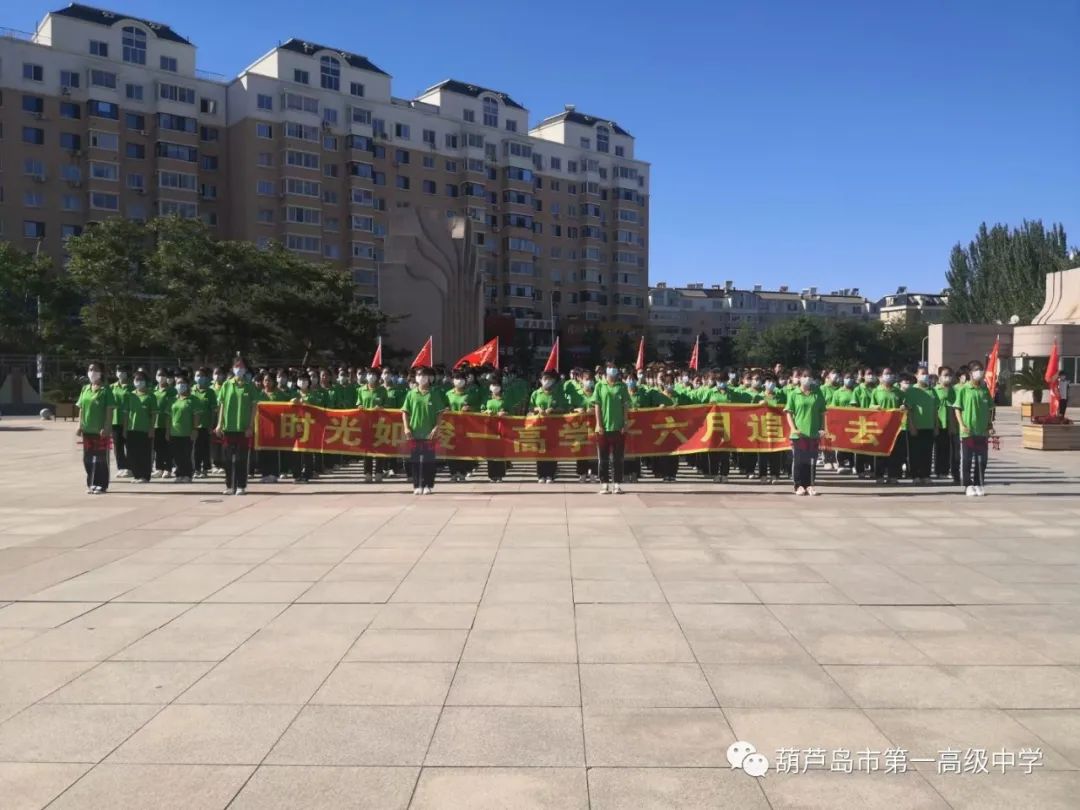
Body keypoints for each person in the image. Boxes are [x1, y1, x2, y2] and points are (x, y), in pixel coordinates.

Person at [214, 356, 258, 496]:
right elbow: (221, 405)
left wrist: (250, 426)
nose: (239, 369)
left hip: (243, 428)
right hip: (228, 428)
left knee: (241, 459)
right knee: (227, 460)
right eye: (236, 366)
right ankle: (229, 485)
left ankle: (241, 486)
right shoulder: (227, 385)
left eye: (242, 367)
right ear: (233, 368)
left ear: (245, 369)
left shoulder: (249, 386)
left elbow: (254, 407)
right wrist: (219, 424)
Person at [401, 365, 448, 495]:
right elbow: (405, 412)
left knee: (429, 461)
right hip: (414, 432)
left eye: (424, 375)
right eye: (419, 375)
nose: (421, 378)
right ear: (416, 378)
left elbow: (440, 413)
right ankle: (417, 485)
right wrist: (406, 427)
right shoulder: (411, 394)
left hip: (429, 433)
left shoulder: (434, 394)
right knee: (415, 461)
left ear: (429, 378)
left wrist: (436, 427)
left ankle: (428, 485)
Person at [953, 360, 995, 497]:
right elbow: (957, 408)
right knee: (967, 459)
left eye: (981, 370)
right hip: (968, 431)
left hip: (982, 431)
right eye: (977, 370)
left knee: (982, 459)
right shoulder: (964, 389)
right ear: (970, 373)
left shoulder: (984, 389)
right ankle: (968, 485)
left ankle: (979, 483)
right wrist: (961, 425)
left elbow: (990, 409)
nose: (980, 372)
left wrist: (990, 425)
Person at [784, 370, 827, 496]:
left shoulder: (817, 394)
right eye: (804, 376)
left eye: (809, 376)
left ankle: (810, 485)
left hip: (813, 432)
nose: (807, 378)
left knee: (811, 460)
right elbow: (789, 413)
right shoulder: (794, 394)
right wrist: (793, 428)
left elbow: (823, 412)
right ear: (799, 379)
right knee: (799, 460)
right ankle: (798, 485)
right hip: (799, 433)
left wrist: (823, 428)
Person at [76, 362, 115, 494]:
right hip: (87, 430)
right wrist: (79, 425)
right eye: (90, 369)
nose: (92, 372)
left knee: (100, 458)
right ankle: (91, 483)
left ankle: (101, 484)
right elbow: (81, 408)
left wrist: (107, 427)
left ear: (101, 372)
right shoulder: (85, 389)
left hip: (100, 431)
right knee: (87, 458)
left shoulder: (106, 390)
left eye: (95, 369)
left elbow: (109, 410)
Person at [594, 362, 632, 494]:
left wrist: (625, 423)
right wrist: (599, 424)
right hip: (603, 428)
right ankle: (604, 483)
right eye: (610, 368)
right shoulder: (600, 385)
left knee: (618, 458)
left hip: (618, 427)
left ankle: (617, 483)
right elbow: (597, 406)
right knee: (603, 458)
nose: (612, 370)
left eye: (614, 368)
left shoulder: (622, 386)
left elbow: (625, 406)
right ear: (605, 372)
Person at [530, 370, 568, 483]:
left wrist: (554, 410)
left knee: (552, 450)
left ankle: (551, 474)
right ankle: (541, 475)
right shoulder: (535, 393)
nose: (547, 381)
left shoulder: (557, 394)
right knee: (540, 450)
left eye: (549, 379)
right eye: (545, 379)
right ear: (540, 381)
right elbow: (530, 409)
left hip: (553, 426)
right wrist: (537, 409)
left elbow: (564, 408)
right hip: (539, 426)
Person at [905, 369, 938, 483]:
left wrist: (936, 426)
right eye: (922, 374)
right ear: (916, 375)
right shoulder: (911, 391)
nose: (925, 376)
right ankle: (915, 475)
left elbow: (935, 410)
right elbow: (908, 411)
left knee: (927, 452)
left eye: (926, 374)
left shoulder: (932, 391)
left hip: (929, 426)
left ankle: (926, 475)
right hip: (915, 427)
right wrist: (911, 426)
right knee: (915, 453)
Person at [123, 370, 156, 483]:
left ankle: (145, 476)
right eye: (137, 379)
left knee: (144, 453)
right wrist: (125, 428)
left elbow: (153, 414)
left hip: (145, 429)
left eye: (141, 380)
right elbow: (127, 413)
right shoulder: (130, 395)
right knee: (132, 453)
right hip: (132, 429)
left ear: (146, 381)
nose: (139, 382)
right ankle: (137, 475)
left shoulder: (150, 396)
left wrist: (152, 428)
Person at [356, 367, 388, 482]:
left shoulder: (382, 390)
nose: (371, 376)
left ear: (377, 377)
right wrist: (360, 407)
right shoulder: (361, 390)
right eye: (369, 374)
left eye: (373, 375)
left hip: (379, 424)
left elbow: (387, 405)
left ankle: (379, 472)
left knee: (379, 448)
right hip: (365, 423)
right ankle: (367, 473)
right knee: (367, 449)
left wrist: (381, 408)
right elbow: (358, 403)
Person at [169, 374, 199, 483]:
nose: (180, 385)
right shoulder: (173, 400)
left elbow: (196, 416)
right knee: (177, 455)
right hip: (174, 432)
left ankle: (187, 474)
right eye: (178, 383)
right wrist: (168, 431)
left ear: (187, 385)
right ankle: (179, 474)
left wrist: (195, 429)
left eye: (182, 383)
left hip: (187, 432)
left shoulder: (193, 399)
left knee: (187, 454)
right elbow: (169, 416)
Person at [933, 366, 960, 483]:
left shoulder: (954, 390)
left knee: (952, 450)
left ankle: (952, 471)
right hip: (939, 422)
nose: (947, 377)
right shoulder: (935, 390)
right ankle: (940, 471)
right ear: (939, 377)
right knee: (940, 448)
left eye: (949, 375)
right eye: (945, 375)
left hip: (952, 423)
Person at [190, 367, 216, 479]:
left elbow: (213, 411)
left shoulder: (210, 392)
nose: (199, 378)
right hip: (193, 425)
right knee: (195, 448)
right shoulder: (191, 390)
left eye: (202, 376)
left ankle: (205, 468)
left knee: (204, 448)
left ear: (206, 378)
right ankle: (196, 469)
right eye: (197, 376)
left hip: (205, 425)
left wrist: (212, 425)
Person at [482, 375, 509, 482]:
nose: (495, 387)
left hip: (501, 428)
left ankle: (500, 474)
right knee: (490, 452)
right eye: (493, 385)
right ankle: (492, 475)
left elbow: (510, 411)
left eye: (497, 385)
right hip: (489, 428)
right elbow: (481, 410)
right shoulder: (487, 399)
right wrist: (485, 412)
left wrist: (504, 413)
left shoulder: (505, 399)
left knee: (500, 452)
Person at [152, 368, 176, 478]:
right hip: (156, 423)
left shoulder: (172, 391)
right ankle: (159, 468)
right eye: (158, 375)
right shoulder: (154, 390)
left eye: (163, 375)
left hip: (167, 423)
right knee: (158, 447)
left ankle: (168, 468)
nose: (161, 377)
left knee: (168, 447)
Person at [110, 366, 132, 478]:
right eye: (119, 371)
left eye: (123, 371)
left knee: (129, 445)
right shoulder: (112, 387)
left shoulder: (131, 387)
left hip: (128, 420)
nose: (121, 373)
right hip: (115, 420)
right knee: (117, 446)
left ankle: (130, 468)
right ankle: (121, 467)